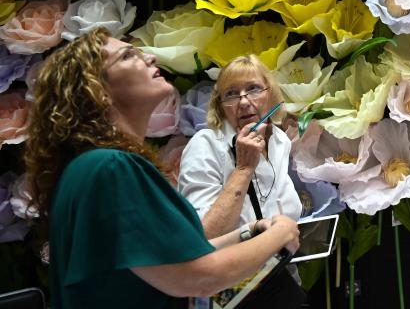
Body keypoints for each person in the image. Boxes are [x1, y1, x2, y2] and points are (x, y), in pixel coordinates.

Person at [23, 29, 299, 309]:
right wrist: (280, 235)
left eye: (253, 89)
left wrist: (247, 232)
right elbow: (199, 276)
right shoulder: (111, 168)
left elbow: (172, 260)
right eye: (128, 55)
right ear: (98, 91)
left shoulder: (91, 166)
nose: (150, 57)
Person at [178, 55, 301, 237]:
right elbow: (203, 235)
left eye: (253, 89)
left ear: (270, 94)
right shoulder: (205, 145)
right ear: (220, 106)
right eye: (231, 94)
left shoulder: (279, 139)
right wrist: (244, 169)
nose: (243, 102)